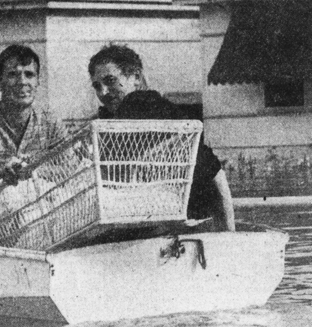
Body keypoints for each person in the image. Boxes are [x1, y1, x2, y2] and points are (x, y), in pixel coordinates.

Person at [88, 44, 236, 232]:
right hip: (192, 211)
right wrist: (229, 229)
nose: (103, 92)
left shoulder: (137, 104)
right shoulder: (149, 109)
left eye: (111, 81)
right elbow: (214, 169)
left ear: (135, 77)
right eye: (97, 86)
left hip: (180, 214)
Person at [0, 45, 67, 213]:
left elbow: (72, 171)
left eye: (29, 74)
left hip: (45, 215)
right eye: (12, 75)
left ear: (38, 81)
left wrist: (31, 170)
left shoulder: (50, 121)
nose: (22, 82)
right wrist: (4, 181)